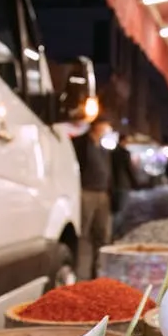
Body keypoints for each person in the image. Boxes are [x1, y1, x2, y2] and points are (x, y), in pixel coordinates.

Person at [72, 117, 113, 281]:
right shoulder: (81, 143)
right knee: (82, 232)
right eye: (105, 124)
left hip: (102, 194)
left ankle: (96, 272)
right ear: (96, 125)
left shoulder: (103, 148)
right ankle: (78, 271)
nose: (107, 128)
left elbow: (108, 172)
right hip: (86, 192)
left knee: (101, 234)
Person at [110, 134, 137, 213]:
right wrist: (134, 181)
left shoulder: (112, 153)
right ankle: (118, 225)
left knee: (116, 209)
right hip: (123, 183)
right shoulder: (125, 153)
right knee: (121, 209)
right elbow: (128, 169)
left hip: (115, 184)